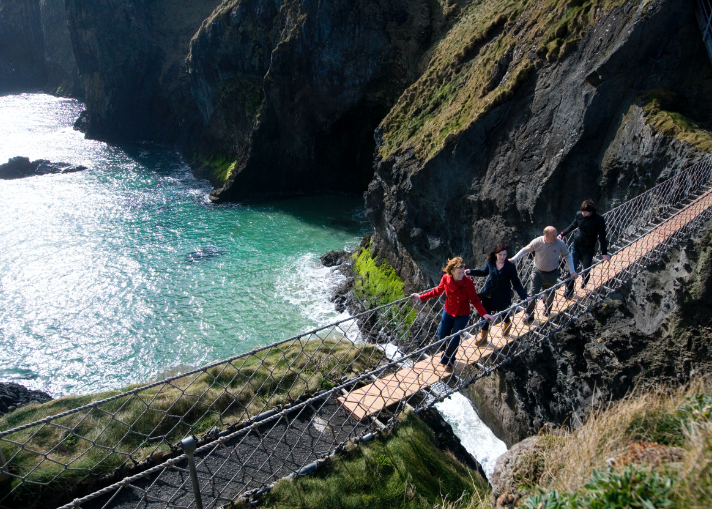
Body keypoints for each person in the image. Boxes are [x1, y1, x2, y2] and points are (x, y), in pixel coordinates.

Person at [410, 257, 494, 372]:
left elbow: (474, 300)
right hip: (448, 312)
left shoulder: (468, 283)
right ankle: (447, 352)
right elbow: (437, 291)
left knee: (454, 338)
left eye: (463, 272)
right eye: (459, 273)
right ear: (452, 272)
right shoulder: (446, 279)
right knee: (441, 335)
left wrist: (484, 314)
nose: (462, 275)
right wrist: (421, 297)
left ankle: (448, 361)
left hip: (462, 315)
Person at [466, 243, 530, 344]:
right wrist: (471, 272)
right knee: (484, 314)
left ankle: (507, 325)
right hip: (488, 293)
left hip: (502, 295)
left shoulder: (510, 266)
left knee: (504, 313)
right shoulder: (491, 262)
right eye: (500, 254)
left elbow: (516, 282)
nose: (502, 257)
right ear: (495, 254)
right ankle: (483, 336)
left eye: (504, 255)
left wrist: (524, 295)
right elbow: (484, 272)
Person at [510, 227, 577, 324]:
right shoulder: (538, 242)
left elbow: (567, 255)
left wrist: (572, 271)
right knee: (532, 294)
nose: (556, 237)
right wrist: (514, 259)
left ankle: (547, 308)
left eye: (556, 235)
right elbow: (526, 250)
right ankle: (529, 314)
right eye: (553, 236)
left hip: (552, 273)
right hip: (537, 272)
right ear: (546, 236)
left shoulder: (559, 243)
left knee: (549, 295)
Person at [559, 199, 611, 299]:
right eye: (582, 211)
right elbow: (574, 225)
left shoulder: (599, 219)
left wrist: (604, 252)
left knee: (586, 269)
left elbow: (602, 236)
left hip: (589, 248)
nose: (582, 213)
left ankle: (585, 278)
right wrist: (562, 234)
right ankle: (569, 290)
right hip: (576, 245)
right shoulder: (579, 215)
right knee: (572, 268)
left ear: (591, 211)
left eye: (585, 212)